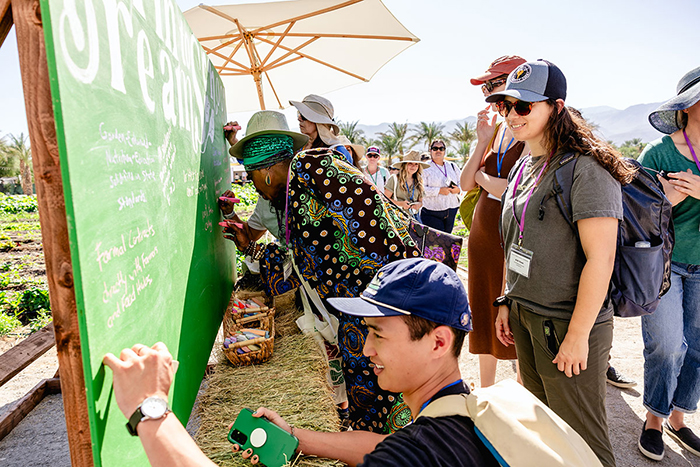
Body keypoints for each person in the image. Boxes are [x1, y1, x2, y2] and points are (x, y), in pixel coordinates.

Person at [103, 259, 499, 467]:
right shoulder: (468, 415)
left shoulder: (420, 454)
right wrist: (295, 436)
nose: (366, 350)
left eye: (378, 333)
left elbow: (398, 454)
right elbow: (383, 446)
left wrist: (150, 409)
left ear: (438, 342)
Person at [222, 110, 421, 434]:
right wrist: (249, 246)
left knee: (387, 391)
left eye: (251, 175)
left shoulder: (314, 172)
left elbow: (362, 240)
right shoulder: (293, 195)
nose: (254, 187)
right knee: (371, 391)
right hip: (359, 308)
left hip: (386, 303)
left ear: (267, 172)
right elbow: (303, 263)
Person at [492, 60, 636, 467]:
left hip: (566, 325)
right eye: (506, 106)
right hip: (525, 315)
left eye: (524, 107)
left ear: (555, 108)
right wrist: (507, 299)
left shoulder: (586, 170)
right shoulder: (524, 164)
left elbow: (601, 259)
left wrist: (577, 336)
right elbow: (516, 239)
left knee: (584, 443)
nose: (511, 116)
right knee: (547, 433)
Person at [636, 65, 700, 461]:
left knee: (698, 348)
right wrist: (665, 203)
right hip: (664, 265)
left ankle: (678, 417)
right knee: (666, 345)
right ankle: (654, 419)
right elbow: (633, 215)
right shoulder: (656, 154)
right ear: (688, 106)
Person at [460, 55, 528, 387]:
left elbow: (516, 189)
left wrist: (485, 179)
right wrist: (481, 141)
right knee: (484, 315)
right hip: (483, 238)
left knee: (513, 315)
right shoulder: (497, 129)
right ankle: (486, 391)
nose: (487, 93)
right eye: (486, 87)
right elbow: (464, 182)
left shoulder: (530, 128)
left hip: (512, 238)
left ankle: (521, 393)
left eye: (493, 84)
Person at [290, 94, 353, 165]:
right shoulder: (298, 149)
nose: (299, 119)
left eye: (303, 115)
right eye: (299, 114)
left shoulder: (339, 152)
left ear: (319, 123)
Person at [421, 139, 461, 233]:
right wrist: (438, 191)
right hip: (432, 211)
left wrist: (458, 189)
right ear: (430, 151)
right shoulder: (424, 168)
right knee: (437, 242)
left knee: (447, 239)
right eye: (435, 148)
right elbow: (420, 189)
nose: (438, 151)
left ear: (444, 151)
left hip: (451, 209)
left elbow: (462, 182)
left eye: (441, 148)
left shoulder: (452, 166)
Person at [384, 149, 429, 221]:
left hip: (414, 218)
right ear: (404, 165)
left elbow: (421, 201)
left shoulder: (419, 181)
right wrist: (400, 204)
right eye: (410, 163)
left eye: (416, 164)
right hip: (397, 218)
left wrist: (418, 205)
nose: (413, 166)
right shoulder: (394, 179)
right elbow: (385, 199)